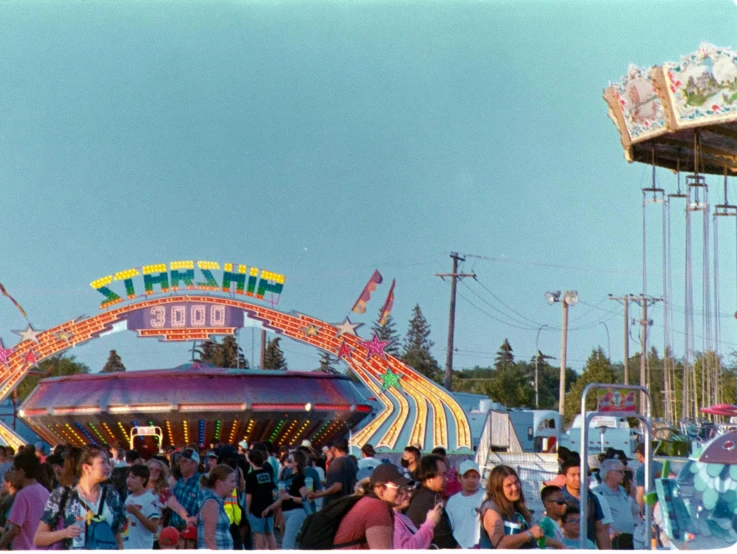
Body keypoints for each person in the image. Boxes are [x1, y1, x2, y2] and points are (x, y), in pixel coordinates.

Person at [35, 444, 126, 549]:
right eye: (102, 462)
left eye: (108, 462)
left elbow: (118, 540)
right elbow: (39, 538)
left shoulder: (112, 495)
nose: (108, 467)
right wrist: (64, 533)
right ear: (86, 468)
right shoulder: (63, 494)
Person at [479, 464, 564, 549]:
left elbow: (536, 536)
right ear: (498, 489)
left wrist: (559, 545)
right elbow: (500, 545)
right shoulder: (491, 509)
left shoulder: (516, 506)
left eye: (516, 482)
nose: (515, 487)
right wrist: (529, 534)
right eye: (509, 485)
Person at [332, 463, 405, 549]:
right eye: (398, 487)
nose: (403, 492)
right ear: (380, 488)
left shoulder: (365, 502)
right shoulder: (376, 507)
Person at [406, 454, 459, 549]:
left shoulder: (421, 495)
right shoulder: (429, 501)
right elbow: (444, 539)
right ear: (429, 478)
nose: (446, 479)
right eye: (443, 475)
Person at [0, 451, 49, 550]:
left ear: (21, 472)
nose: (11, 473)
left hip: (25, 548)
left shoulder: (23, 495)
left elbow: (14, 530)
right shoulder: (44, 491)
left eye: (13, 469)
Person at [560, 458, 612, 549]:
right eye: (573, 475)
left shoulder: (593, 498)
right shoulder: (558, 499)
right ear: (564, 477)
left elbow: (600, 530)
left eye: (581, 474)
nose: (578, 478)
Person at [262, 450, 309, 549]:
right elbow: (281, 499)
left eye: (289, 460)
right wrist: (269, 508)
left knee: (287, 542)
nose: (287, 462)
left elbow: (305, 499)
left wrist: (290, 497)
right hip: (286, 512)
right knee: (288, 541)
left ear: (296, 463)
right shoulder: (288, 477)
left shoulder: (300, 478)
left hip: (296, 512)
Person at [593, 458, 637, 550]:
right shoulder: (598, 493)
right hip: (612, 541)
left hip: (629, 539)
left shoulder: (622, 490)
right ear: (609, 474)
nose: (624, 474)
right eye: (620, 472)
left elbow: (629, 510)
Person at [444, 459, 485, 548]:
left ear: (479, 478)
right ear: (459, 478)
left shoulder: (486, 497)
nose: (471, 480)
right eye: (466, 477)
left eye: (474, 477)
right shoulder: (452, 501)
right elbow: (448, 528)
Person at [392, 477, 442, 549]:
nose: (409, 495)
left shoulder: (403, 517)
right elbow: (409, 549)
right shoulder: (393, 522)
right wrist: (430, 522)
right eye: (401, 490)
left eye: (408, 490)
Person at [306, 438, 356, 506]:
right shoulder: (352, 463)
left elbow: (337, 487)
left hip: (336, 506)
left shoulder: (337, 462)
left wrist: (316, 495)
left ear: (334, 448)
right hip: (348, 505)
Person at [122, 464, 161, 550]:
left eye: (133, 477)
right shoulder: (129, 497)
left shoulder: (150, 499)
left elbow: (154, 528)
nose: (128, 480)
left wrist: (137, 513)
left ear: (143, 480)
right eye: (128, 477)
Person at [197, 464, 236, 550]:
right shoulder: (212, 504)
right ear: (218, 483)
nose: (234, 485)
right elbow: (209, 539)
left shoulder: (217, 502)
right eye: (232, 481)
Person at [245, 449, 277, 550]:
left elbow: (249, 495)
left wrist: (247, 509)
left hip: (256, 509)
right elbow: (272, 490)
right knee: (269, 534)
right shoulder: (267, 473)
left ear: (250, 461)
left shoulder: (251, 476)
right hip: (269, 507)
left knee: (257, 535)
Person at [169, 448, 202, 530]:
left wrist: (195, 519)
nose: (180, 464)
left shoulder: (201, 482)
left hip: (192, 531)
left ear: (194, 464)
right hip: (175, 529)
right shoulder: (179, 481)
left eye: (184, 461)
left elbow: (207, 505)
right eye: (180, 461)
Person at [633, 443, 662, 512]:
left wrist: (640, 510)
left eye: (637, 454)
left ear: (639, 454)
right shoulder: (662, 466)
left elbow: (641, 492)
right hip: (663, 503)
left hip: (650, 506)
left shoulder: (641, 470)